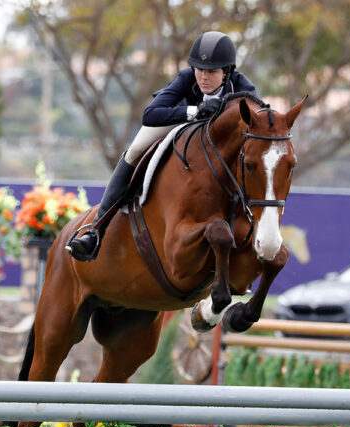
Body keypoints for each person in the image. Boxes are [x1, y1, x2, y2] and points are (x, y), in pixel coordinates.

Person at [66, 30, 257, 261]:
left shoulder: (242, 87)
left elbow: (260, 120)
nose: (203, 77)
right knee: (135, 150)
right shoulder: (186, 78)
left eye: (212, 72)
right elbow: (151, 115)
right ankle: (96, 230)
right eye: (200, 70)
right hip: (182, 125)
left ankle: (252, 235)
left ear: (227, 73)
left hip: (221, 141)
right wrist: (193, 111)